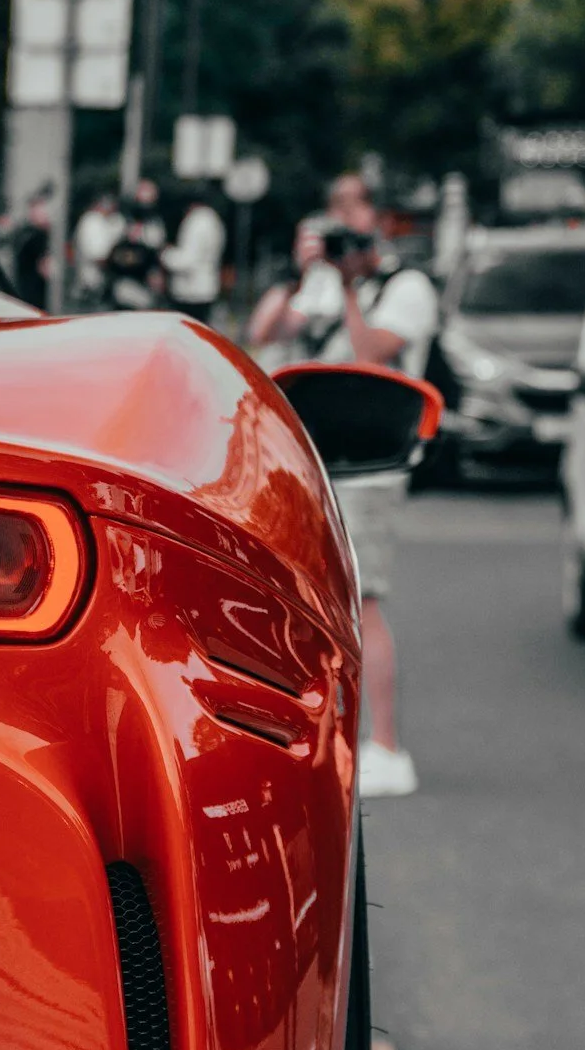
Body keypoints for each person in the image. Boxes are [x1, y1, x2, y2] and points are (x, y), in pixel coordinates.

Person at [249, 172, 437, 800]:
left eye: (355, 210)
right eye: (335, 210)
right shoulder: (323, 280)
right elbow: (264, 334)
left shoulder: (407, 287)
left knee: (365, 598)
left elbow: (371, 354)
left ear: (380, 222)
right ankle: (317, 733)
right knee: (302, 594)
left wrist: (353, 289)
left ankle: (387, 746)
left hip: (374, 460)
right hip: (311, 451)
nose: (344, 221)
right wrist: (301, 277)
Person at [162, 188, 228, 321]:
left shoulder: (196, 222)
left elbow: (187, 261)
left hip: (191, 291)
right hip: (207, 287)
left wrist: (165, 254)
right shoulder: (214, 219)